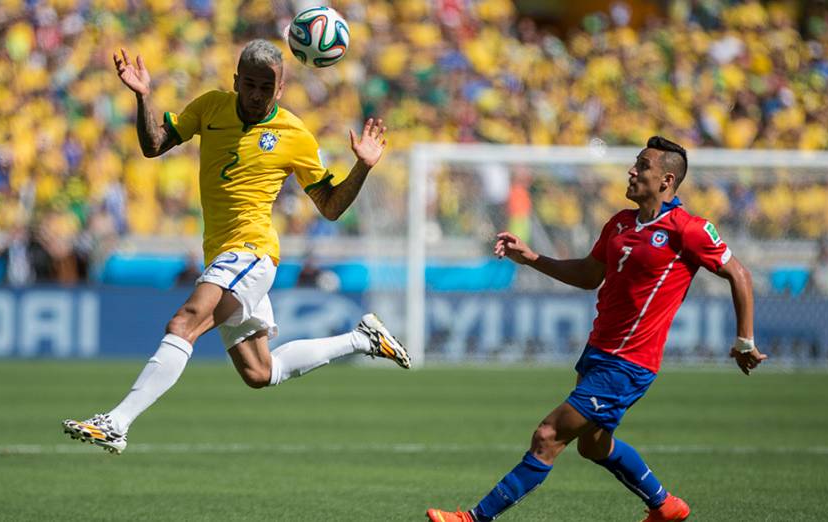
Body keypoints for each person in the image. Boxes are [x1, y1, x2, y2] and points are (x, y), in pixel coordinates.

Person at [63, 40, 410, 454]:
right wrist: (143, 97)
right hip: (223, 254)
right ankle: (362, 339)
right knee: (260, 372)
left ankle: (117, 422)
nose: (258, 94)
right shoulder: (210, 107)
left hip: (252, 252)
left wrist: (362, 167)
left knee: (184, 324)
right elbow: (153, 145)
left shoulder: (294, 134)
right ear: (235, 82)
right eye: (250, 84)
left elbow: (331, 207)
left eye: (267, 87)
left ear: (280, 89)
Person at [426, 136, 767, 522]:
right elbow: (590, 276)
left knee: (548, 436)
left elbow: (739, 274)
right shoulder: (620, 223)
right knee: (593, 445)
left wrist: (744, 341)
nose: (632, 171)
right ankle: (666, 506)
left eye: (642, 166)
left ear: (666, 181)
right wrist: (533, 259)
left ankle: (474, 518)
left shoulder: (687, 229)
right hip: (598, 352)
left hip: (629, 364)